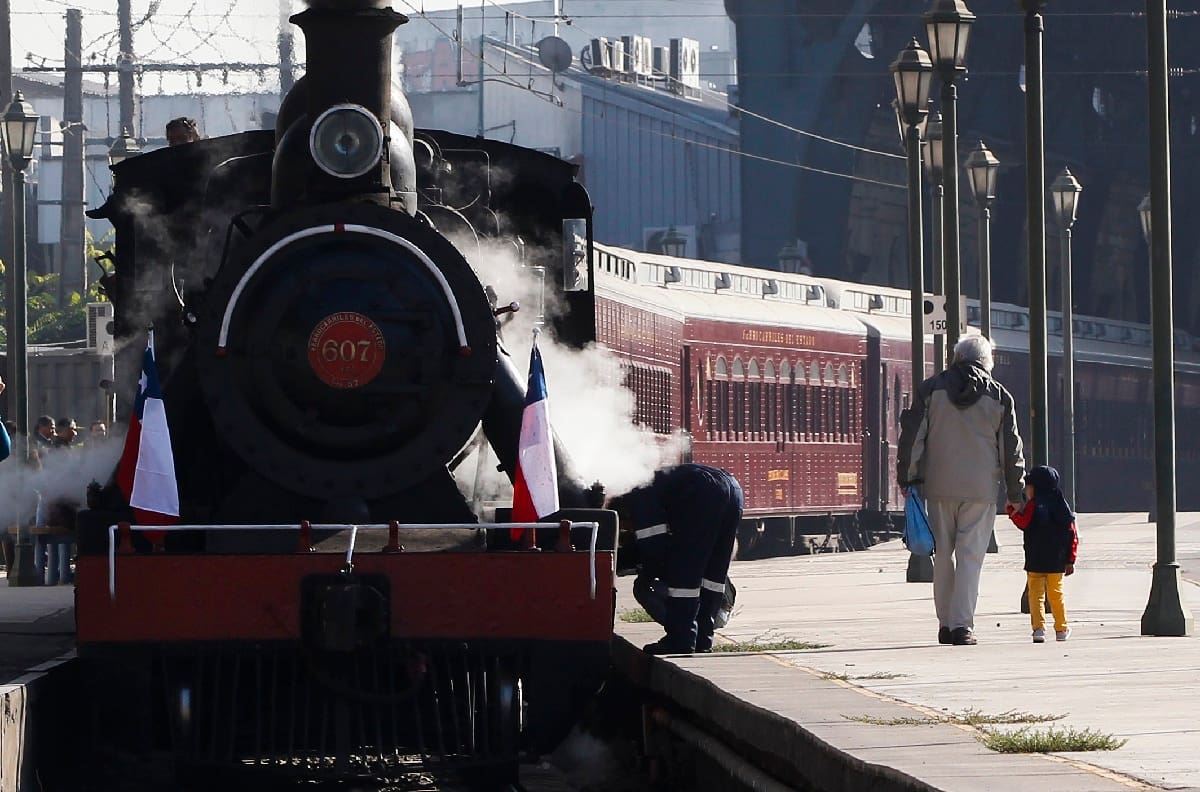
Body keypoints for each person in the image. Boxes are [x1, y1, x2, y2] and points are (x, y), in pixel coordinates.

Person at [897, 334, 1025, 646]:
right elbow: (1011, 450)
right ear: (987, 362)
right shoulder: (1000, 396)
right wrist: (1015, 493)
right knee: (970, 558)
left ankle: (945, 623)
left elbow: (914, 437)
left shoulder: (931, 390)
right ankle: (962, 626)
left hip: (939, 487)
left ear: (955, 358)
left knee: (942, 555)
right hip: (981, 490)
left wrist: (908, 478)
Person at [607, 463, 743, 655]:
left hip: (701, 491)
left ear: (624, 513)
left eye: (626, 527)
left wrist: (645, 573)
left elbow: (654, 548)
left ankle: (680, 640)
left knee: (685, 574)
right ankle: (703, 639)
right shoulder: (658, 484)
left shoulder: (638, 497)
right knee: (714, 574)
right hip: (732, 487)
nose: (629, 531)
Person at [1007, 466, 1078, 642]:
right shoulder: (1061, 505)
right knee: (1056, 594)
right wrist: (1070, 559)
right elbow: (1072, 533)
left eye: (1029, 487)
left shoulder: (1033, 505)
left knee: (1036, 595)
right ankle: (1061, 629)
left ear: (1036, 487)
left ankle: (1038, 629)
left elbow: (1023, 523)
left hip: (1035, 559)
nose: (1026, 490)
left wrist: (1012, 513)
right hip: (1056, 560)